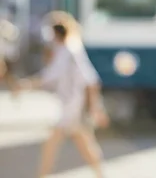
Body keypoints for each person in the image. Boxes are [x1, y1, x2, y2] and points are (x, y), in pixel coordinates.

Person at [14, 11, 109, 178]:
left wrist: (95, 108)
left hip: (74, 107)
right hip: (71, 106)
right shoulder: (66, 50)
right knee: (84, 144)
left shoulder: (70, 51)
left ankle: (42, 175)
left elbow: (91, 80)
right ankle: (100, 174)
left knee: (54, 143)